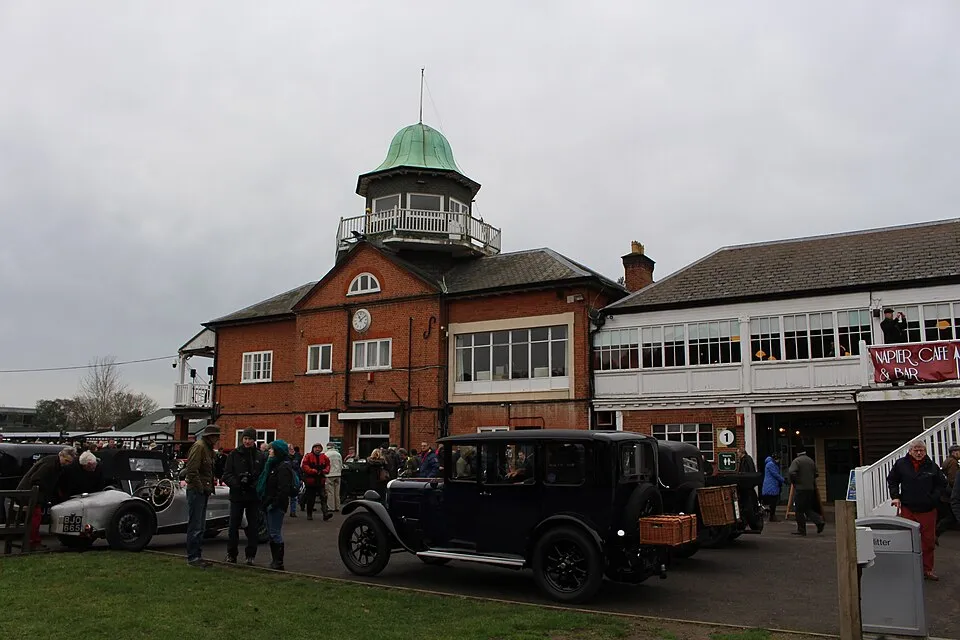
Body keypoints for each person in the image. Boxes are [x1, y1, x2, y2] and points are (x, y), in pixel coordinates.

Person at [888, 440, 946, 580]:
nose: (919, 453)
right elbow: (892, 480)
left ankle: (927, 569)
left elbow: (942, 484)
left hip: (928, 509)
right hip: (908, 508)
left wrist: (933, 497)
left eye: (922, 450)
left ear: (925, 451)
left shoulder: (932, 466)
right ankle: (909, 568)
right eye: (916, 450)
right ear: (910, 451)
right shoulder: (901, 464)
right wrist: (895, 497)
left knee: (928, 541)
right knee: (908, 540)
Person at [16, 447, 76, 551]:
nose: (67, 464)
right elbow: (36, 479)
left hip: (34, 494)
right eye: (66, 461)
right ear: (61, 456)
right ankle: (32, 542)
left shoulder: (55, 463)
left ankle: (34, 541)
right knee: (35, 517)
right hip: (30, 494)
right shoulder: (50, 465)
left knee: (36, 517)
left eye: (69, 462)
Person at [221, 427, 263, 565]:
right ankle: (231, 554)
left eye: (250, 439)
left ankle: (250, 555)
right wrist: (237, 483)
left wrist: (254, 484)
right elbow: (226, 474)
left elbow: (263, 476)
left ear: (254, 440)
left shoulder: (260, 455)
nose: (247, 441)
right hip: (237, 495)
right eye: (245, 438)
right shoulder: (234, 455)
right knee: (233, 527)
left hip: (253, 496)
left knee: (253, 527)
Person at [184, 424, 220, 568]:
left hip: (202, 490)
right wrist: (200, 488)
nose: (217, 439)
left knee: (200, 525)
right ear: (210, 437)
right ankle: (193, 557)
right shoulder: (199, 447)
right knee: (196, 525)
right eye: (216, 436)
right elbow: (192, 470)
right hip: (196, 491)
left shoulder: (207, 449)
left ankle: (197, 556)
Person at [257, 439, 295, 570]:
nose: (269, 451)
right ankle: (275, 560)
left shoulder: (283, 467)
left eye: (272, 449)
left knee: (275, 533)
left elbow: (283, 489)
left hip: (277, 505)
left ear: (278, 451)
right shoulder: (272, 465)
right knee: (272, 533)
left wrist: (273, 503)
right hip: (270, 503)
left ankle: (278, 562)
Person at [788, 449, 825, 536]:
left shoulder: (797, 461)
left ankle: (801, 530)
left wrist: (796, 482)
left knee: (799, 509)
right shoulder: (811, 461)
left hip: (801, 488)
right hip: (810, 488)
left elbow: (791, 472)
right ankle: (819, 521)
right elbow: (816, 474)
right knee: (807, 508)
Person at [300, 443, 332, 521]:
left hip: (320, 480)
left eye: (319, 448)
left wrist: (324, 471)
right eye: (316, 448)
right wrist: (313, 471)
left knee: (323, 497)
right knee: (311, 498)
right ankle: (309, 514)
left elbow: (328, 465)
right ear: (313, 448)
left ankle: (325, 514)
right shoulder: (308, 456)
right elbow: (304, 466)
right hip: (311, 481)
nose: (317, 449)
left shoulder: (324, 457)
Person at [937, 445, 960, 536]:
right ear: (954, 452)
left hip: (946, 493)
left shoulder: (948, 461)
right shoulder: (953, 462)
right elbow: (952, 479)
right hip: (950, 493)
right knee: (951, 516)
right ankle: (936, 532)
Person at [761, 454, 786, 521]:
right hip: (771, 486)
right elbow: (776, 475)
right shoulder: (770, 464)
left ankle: (772, 515)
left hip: (773, 485)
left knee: (773, 502)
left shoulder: (771, 464)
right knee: (773, 502)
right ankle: (772, 516)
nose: (779, 461)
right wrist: (784, 480)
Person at [325, 443, 343, 513]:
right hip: (338, 474)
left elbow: (325, 465)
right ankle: (337, 506)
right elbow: (341, 464)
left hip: (329, 475)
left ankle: (331, 507)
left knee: (330, 492)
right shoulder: (338, 454)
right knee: (337, 492)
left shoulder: (326, 454)